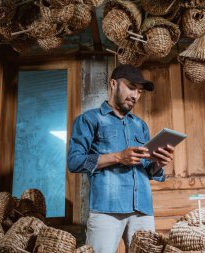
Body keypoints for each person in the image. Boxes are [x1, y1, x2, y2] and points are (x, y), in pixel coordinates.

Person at [67, 64, 175, 253]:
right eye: (131, 87)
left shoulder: (140, 125)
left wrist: (158, 163)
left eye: (139, 91)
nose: (135, 95)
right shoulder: (89, 120)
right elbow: (74, 162)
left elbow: (147, 170)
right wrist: (118, 156)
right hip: (106, 209)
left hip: (142, 209)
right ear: (113, 84)